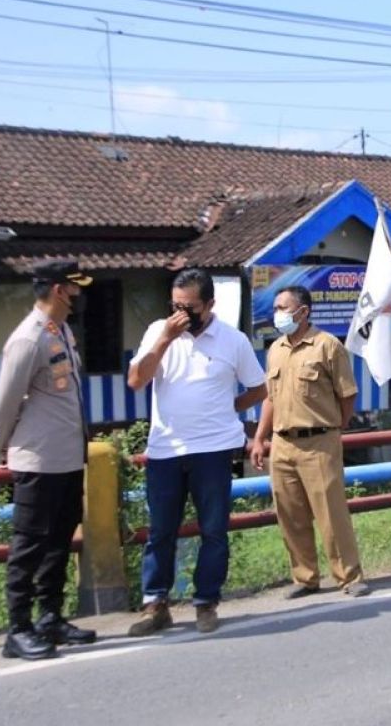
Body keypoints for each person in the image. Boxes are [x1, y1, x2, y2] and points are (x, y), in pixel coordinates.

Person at [126, 268, 266, 636]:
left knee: (214, 530)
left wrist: (228, 407)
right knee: (161, 531)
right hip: (166, 448)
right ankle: (155, 604)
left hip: (215, 448)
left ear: (210, 305)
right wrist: (164, 341)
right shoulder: (159, 331)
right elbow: (137, 380)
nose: (181, 315)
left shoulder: (232, 340)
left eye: (189, 308)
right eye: (175, 306)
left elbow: (258, 387)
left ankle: (206, 601)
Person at [0, 260, 98, 661]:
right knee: (29, 544)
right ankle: (18, 628)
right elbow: (6, 400)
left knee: (59, 541)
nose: (80, 294)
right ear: (57, 289)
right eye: (74, 287)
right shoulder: (27, 338)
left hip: (67, 455)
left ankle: (50, 615)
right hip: (37, 459)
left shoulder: (60, 331)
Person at [250, 286, 369, 599]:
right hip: (282, 442)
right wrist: (260, 438)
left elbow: (348, 394)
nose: (277, 313)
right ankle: (305, 577)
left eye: (282, 308)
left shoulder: (327, 346)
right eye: (275, 307)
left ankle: (349, 577)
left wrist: (335, 428)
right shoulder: (275, 348)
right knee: (290, 514)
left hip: (318, 440)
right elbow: (270, 399)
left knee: (331, 513)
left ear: (302, 311)